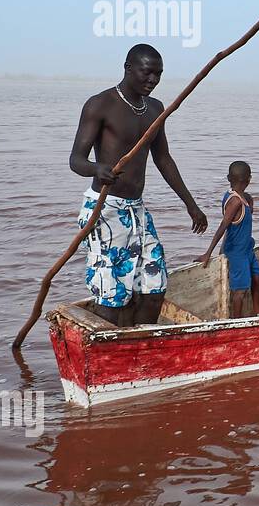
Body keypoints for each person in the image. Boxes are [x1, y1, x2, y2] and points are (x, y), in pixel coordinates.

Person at [70, 43, 208, 326]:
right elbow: (76, 160)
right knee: (112, 297)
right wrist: (98, 169)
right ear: (128, 68)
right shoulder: (100, 105)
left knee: (154, 288)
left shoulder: (155, 109)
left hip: (137, 211)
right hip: (105, 209)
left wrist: (191, 205)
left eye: (158, 75)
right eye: (147, 73)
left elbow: (163, 158)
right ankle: (113, 352)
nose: (152, 81)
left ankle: (142, 345)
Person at [197, 161, 259, 317]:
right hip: (236, 252)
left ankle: (258, 313)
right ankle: (236, 321)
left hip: (247, 248)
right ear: (249, 179)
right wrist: (208, 252)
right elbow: (223, 227)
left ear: (228, 178)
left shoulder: (242, 198)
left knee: (257, 276)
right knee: (239, 291)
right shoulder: (235, 201)